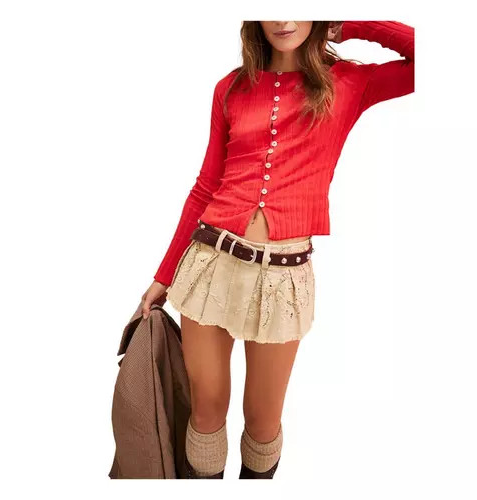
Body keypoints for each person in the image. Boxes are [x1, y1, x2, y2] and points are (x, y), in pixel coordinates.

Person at [140, 20, 415, 479]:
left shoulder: (349, 82)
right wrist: (163, 276)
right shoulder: (230, 88)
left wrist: (348, 26)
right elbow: (206, 185)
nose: (284, 20)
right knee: (205, 411)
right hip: (210, 264)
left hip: (283, 277)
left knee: (263, 423)